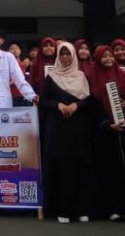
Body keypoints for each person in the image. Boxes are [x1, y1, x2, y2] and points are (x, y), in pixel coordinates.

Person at [39, 41, 95, 223]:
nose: (64, 57)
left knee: (80, 168)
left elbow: (88, 102)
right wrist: (58, 105)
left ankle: (81, 209)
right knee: (61, 169)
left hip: (78, 130)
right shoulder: (51, 77)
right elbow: (43, 101)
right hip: (58, 130)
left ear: (73, 56)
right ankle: (62, 210)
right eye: (61, 54)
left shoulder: (81, 76)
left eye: (67, 54)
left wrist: (75, 105)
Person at [84, 45, 125, 222]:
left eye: (110, 56)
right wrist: (106, 123)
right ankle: (111, 208)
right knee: (107, 170)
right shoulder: (90, 77)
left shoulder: (123, 78)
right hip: (103, 131)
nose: (108, 59)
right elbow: (90, 106)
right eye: (104, 56)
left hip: (123, 130)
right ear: (97, 59)